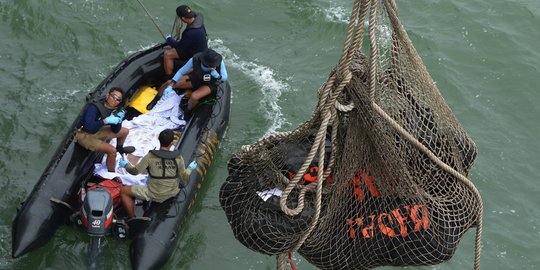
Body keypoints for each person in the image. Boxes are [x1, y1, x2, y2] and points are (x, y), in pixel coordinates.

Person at [119, 129, 197, 219]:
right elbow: (184, 176)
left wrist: (126, 165)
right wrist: (190, 168)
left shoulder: (150, 156)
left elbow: (135, 171)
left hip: (153, 193)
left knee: (124, 191)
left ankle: (132, 218)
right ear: (172, 142)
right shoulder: (178, 158)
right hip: (172, 192)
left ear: (159, 140)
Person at [75, 87, 133, 172]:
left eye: (118, 99)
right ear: (107, 96)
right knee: (111, 151)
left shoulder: (115, 110)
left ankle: (120, 149)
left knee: (125, 131)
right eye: (113, 96)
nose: (114, 100)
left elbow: (115, 131)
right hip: (84, 134)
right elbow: (89, 128)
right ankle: (111, 174)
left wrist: (118, 121)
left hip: (97, 129)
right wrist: (105, 121)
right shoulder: (94, 108)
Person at [160, 48, 228, 112]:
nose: (214, 66)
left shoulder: (220, 62)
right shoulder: (195, 59)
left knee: (194, 96)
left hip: (209, 84)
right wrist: (171, 85)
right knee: (168, 83)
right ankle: (157, 98)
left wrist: (218, 76)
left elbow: (224, 77)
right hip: (196, 79)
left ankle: (188, 111)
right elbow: (181, 71)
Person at [163, 4, 208, 78]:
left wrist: (169, 39)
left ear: (183, 18)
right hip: (201, 48)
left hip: (195, 55)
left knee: (168, 54)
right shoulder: (199, 17)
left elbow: (179, 47)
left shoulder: (191, 33)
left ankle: (169, 78)